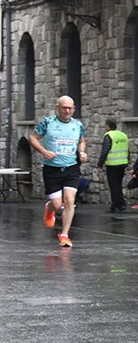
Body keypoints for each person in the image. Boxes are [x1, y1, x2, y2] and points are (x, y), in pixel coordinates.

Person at [29, 96, 86, 248]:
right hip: (52, 169)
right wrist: (44, 151)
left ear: (74, 109)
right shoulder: (48, 123)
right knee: (57, 204)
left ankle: (64, 235)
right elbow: (33, 137)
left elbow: (82, 140)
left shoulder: (77, 125)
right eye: (64, 108)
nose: (67, 111)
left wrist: (82, 152)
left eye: (70, 108)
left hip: (71, 168)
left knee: (69, 200)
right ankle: (50, 208)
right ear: (57, 108)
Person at [96, 118, 129, 213]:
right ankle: (121, 204)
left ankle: (115, 205)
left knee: (113, 185)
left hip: (112, 164)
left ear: (108, 126)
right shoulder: (123, 135)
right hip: (123, 163)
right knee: (118, 184)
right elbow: (127, 150)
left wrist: (100, 164)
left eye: (105, 125)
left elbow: (105, 151)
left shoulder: (108, 136)